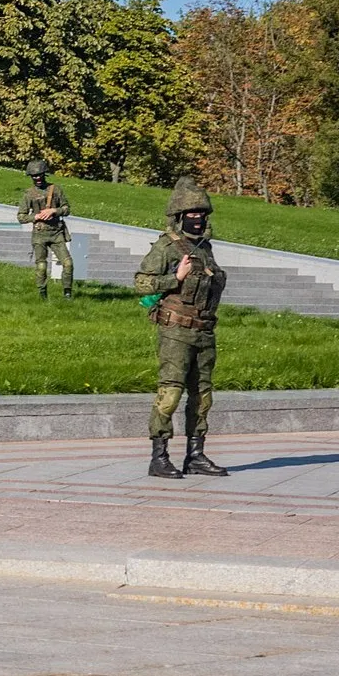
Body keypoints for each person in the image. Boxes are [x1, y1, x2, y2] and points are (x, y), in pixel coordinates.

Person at [134, 176, 228, 479]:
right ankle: (158, 457)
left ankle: (196, 455)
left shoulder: (205, 248)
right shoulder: (166, 247)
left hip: (204, 331)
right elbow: (141, 282)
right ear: (179, 216)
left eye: (202, 214)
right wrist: (176, 277)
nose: (198, 219)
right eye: (192, 214)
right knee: (170, 393)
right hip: (175, 331)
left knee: (202, 396)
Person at [17, 159, 74, 299]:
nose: (36, 178)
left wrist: (54, 211)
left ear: (44, 174)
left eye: (39, 175)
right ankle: (43, 295)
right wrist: (36, 216)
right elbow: (21, 217)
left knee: (68, 263)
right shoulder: (29, 194)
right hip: (39, 234)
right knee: (41, 266)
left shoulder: (56, 189)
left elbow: (66, 209)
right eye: (33, 176)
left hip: (56, 233)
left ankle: (67, 293)